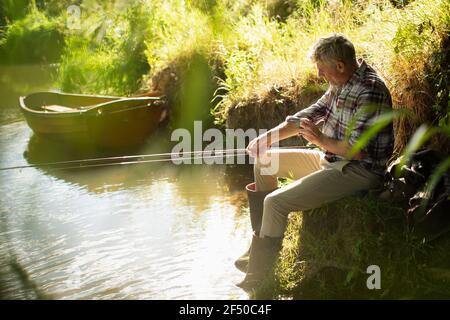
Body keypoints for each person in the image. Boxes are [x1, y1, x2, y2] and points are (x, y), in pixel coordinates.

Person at [235, 33, 394, 291]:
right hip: (332, 159)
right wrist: (266, 139)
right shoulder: (342, 81)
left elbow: (358, 151)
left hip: (358, 170)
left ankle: (260, 281)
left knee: (274, 203)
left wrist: (319, 139)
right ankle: (258, 249)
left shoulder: (370, 90)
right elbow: (308, 115)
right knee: (264, 162)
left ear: (340, 66)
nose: (320, 75)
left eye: (322, 70)